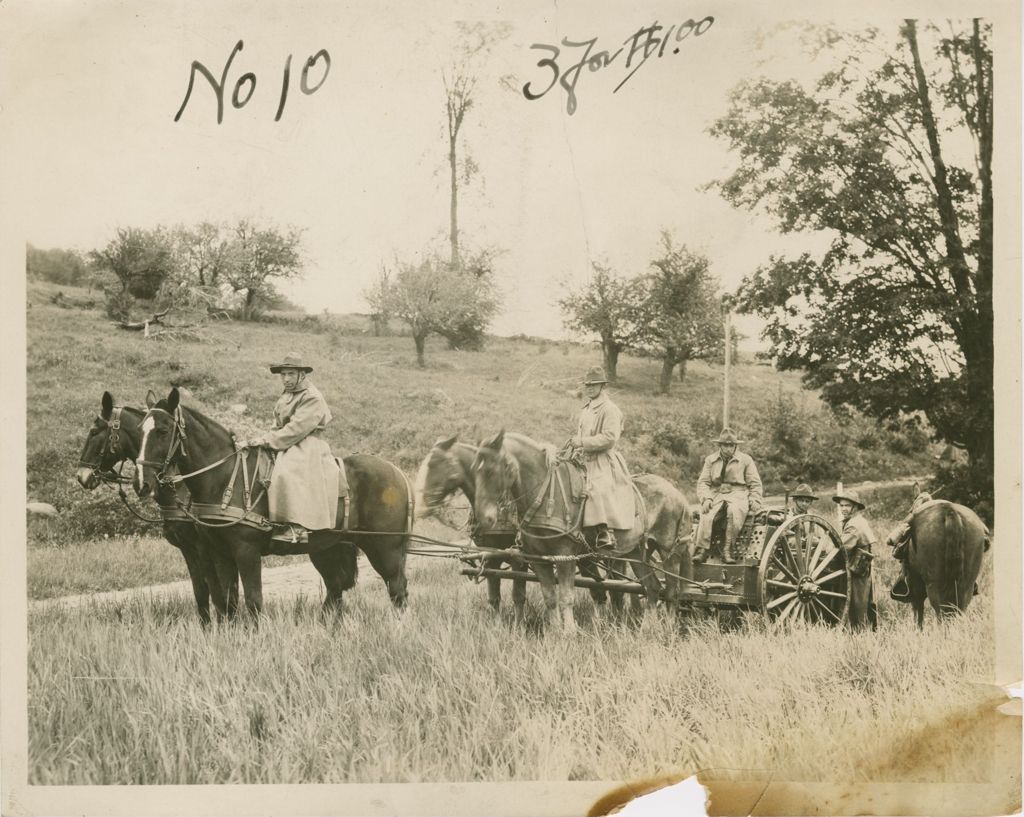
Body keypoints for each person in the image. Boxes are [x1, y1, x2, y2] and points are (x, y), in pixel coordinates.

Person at [245, 353, 340, 542]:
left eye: (290, 374)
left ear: (301, 375)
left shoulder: (312, 396)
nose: (286, 379)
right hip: (285, 441)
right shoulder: (287, 395)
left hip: (306, 443)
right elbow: (278, 425)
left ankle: (296, 526)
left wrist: (267, 440)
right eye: (283, 374)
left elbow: (297, 429)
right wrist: (263, 439)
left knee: (284, 472)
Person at [572, 366, 635, 552]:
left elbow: (609, 438)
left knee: (598, 489)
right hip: (583, 459)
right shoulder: (587, 409)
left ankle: (604, 531)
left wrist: (582, 442)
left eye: (594, 385)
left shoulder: (610, 409)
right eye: (587, 385)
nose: (589, 388)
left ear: (602, 386)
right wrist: (576, 448)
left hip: (603, 461)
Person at [693, 428, 764, 564]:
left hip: (738, 494)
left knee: (733, 512)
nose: (728, 449)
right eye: (725, 445)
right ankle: (702, 550)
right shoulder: (711, 460)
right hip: (716, 494)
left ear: (736, 446)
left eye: (731, 445)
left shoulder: (745, 460)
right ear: (720, 445)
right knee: (708, 513)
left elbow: (755, 483)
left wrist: (754, 499)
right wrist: (706, 498)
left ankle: (727, 550)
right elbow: (703, 482)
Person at [832, 488, 877, 629]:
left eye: (847, 506)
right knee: (863, 600)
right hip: (861, 567)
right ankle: (865, 630)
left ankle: (859, 633)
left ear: (855, 507)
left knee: (858, 603)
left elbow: (842, 546)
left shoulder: (854, 524)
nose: (844, 509)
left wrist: (824, 547)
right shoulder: (856, 520)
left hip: (857, 569)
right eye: (842, 506)